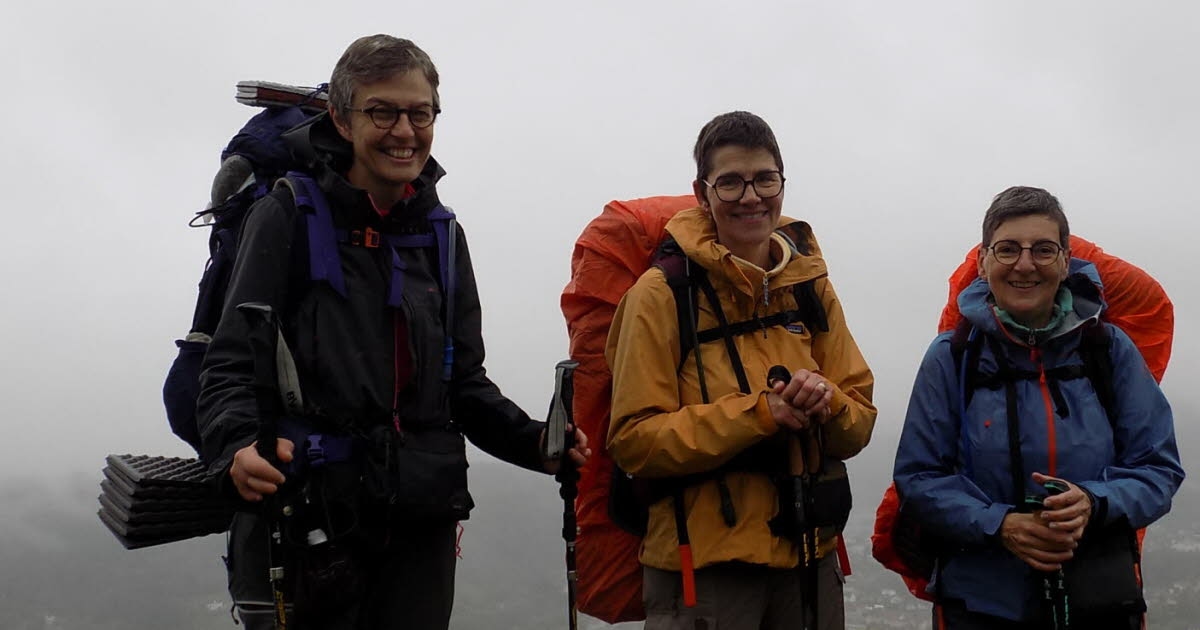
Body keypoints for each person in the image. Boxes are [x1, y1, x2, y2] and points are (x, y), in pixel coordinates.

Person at [196, 34, 589, 630]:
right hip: (309, 515)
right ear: (341, 118)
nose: (404, 130)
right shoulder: (286, 214)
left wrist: (536, 443)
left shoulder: (441, 235)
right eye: (382, 111)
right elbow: (229, 362)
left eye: (420, 112)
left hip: (418, 526)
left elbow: (462, 384)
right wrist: (235, 446)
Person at [605, 111, 877, 630]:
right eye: (730, 182)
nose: (751, 197)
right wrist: (763, 413)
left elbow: (859, 418)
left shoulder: (809, 286)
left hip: (807, 554)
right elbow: (634, 440)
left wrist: (827, 403)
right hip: (705, 569)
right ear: (702, 193)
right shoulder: (660, 297)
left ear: (781, 182)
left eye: (764, 179)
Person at [892, 186, 1184, 629]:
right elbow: (918, 478)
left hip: (1098, 601)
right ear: (984, 261)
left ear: (1066, 262)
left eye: (1043, 250)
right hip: (981, 606)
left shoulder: (1108, 350)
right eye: (1007, 249)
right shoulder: (953, 356)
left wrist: (1093, 501)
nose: (1024, 264)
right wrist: (1001, 525)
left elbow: (1158, 468)